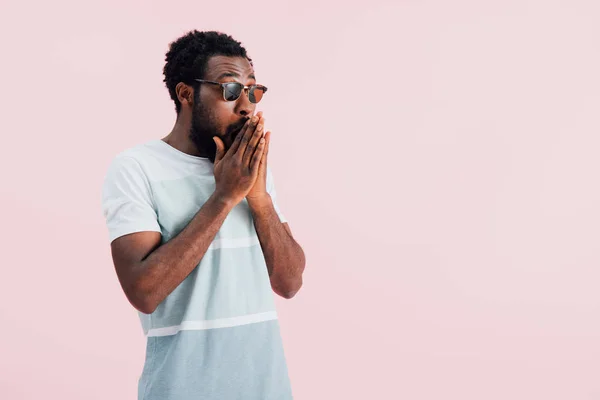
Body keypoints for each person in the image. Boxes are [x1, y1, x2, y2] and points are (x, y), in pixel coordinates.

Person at [101, 30, 305, 400]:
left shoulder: (250, 170)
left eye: (253, 91)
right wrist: (224, 197)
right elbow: (144, 292)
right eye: (230, 90)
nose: (246, 106)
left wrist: (257, 197)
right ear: (186, 94)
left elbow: (289, 283)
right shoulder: (136, 167)